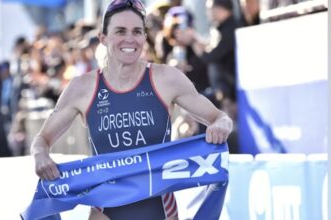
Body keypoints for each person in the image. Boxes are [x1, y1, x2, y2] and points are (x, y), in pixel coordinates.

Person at [30, 0, 232, 220]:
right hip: (105, 213)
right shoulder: (83, 87)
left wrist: (221, 125)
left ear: (145, 38)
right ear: (103, 38)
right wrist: (41, 156)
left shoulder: (166, 78)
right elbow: (42, 140)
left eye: (137, 31)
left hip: (161, 212)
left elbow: (219, 117)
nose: (129, 39)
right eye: (120, 31)